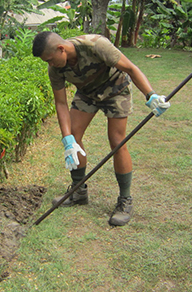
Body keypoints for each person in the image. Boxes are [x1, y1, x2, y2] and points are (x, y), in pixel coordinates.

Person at [32, 31, 170, 226]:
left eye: (50, 59)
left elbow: (130, 68)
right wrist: (67, 140)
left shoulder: (95, 45)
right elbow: (61, 104)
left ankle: (125, 200)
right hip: (87, 93)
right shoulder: (55, 69)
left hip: (116, 89)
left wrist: (151, 95)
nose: (50, 64)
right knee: (74, 134)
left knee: (117, 142)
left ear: (61, 49)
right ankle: (78, 191)